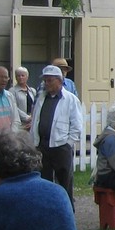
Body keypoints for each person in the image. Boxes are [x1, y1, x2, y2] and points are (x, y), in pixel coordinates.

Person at [30, 64, 84, 208]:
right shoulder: (41, 98)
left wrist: (68, 143)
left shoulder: (71, 99)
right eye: (45, 81)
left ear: (59, 81)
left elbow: (77, 124)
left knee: (65, 180)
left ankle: (67, 209)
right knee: (44, 180)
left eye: (50, 80)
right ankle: (47, 208)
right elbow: (35, 120)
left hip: (61, 146)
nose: (46, 84)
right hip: (42, 145)